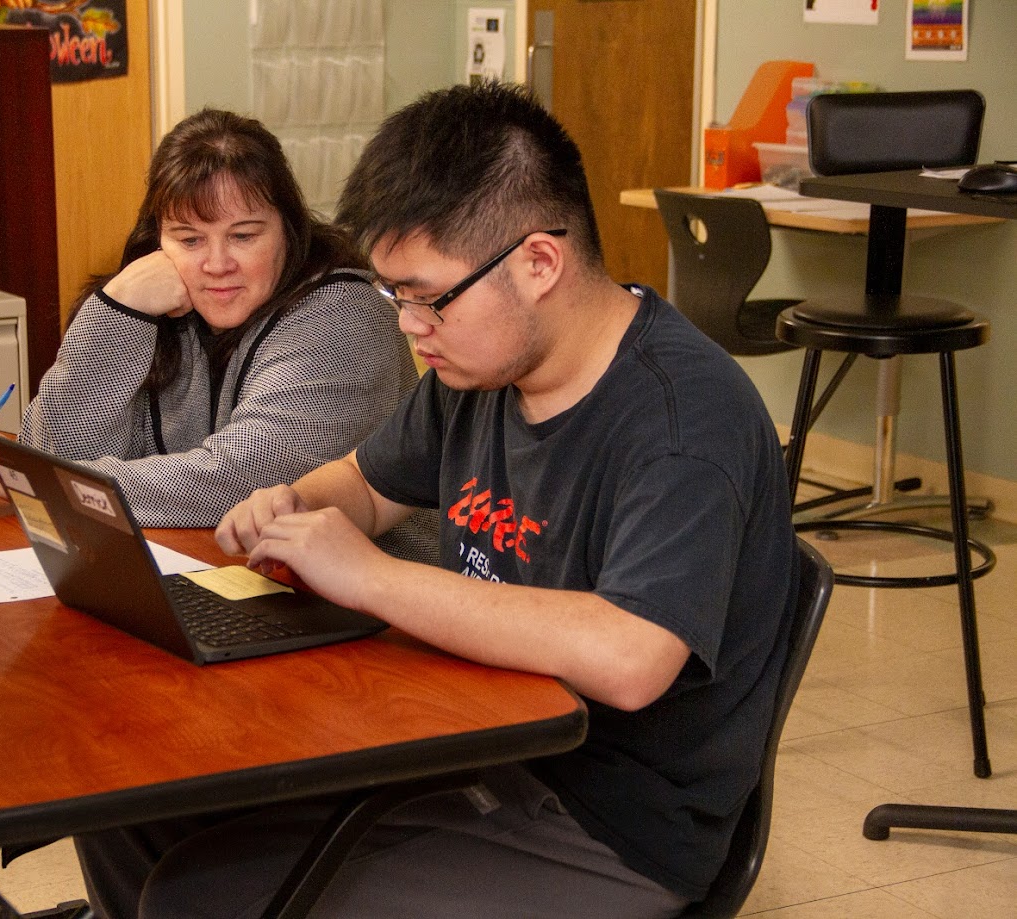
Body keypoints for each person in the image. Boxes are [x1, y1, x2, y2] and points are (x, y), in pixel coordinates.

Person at [76, 83, 799, 918]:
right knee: (128, 805)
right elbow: (363, 484)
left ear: (537, 263)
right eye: (394, 296)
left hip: (605, 820)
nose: (410, 325)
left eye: (425, 296)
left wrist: (369, 577)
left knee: (199, 895)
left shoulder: (682, 419)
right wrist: (289, 502)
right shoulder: (480, 369)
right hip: (468, 742)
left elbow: (631, 659)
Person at [0, 109, 430, 559]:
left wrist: (41, 481)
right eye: (189, 239)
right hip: (210, 570)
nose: (216, 265)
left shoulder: (345, 315)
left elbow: (241, 479)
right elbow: (57, 449)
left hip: (377, 613)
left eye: (244, 236)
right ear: (157, 238)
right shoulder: (152, 302)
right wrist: (117, 308)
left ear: (289, 230)